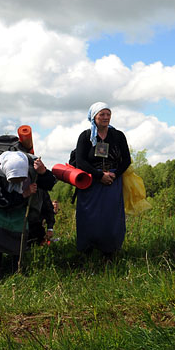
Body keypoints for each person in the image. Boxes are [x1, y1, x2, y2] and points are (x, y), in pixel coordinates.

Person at [0, 151, 55, 282]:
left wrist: (43, 172)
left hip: (20, 207)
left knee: (19, 235)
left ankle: (16, 271)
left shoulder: (32, 165)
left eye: (21, 179)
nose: (17, 182)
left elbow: (50, 184)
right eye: (13, 180)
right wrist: (24, 193)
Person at [74, 102, 131, 257]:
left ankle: (110, 251)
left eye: (108, 114)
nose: (106, 117)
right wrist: (99, 176)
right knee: (89, 216)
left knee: (111, 217)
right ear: (94, 117)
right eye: (102, 114)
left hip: (113, 181)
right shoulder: (86, 137)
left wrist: (115, 174)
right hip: (91, 182)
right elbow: (81, 161)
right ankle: (87, 250)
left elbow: (126, 159)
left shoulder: (118, 136)